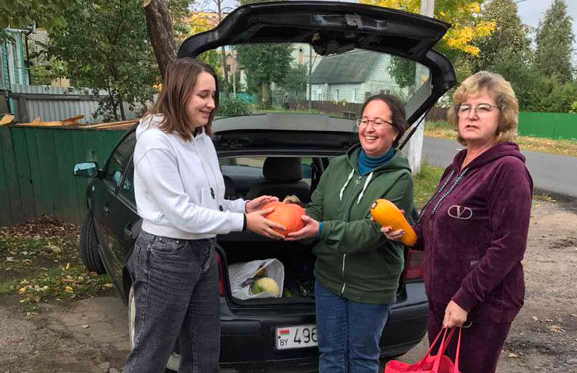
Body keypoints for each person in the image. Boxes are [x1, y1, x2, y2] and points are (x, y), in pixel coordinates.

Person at [123, 58, 285, 373]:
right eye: (203, 95)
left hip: (203, 250)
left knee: (204, 352)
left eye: (214, 96)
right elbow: (182, 213)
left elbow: (210, 201)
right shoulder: (155, 144)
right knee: (151, 355)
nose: (211, 104)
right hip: (166, 256)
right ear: (179, 93)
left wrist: (242, 207)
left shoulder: (202, 139)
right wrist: (243, 222)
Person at [382, 71, 533, 373]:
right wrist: (405, 233)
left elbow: (509, 247)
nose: (472, 115)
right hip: (443, 302)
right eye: (465, 107)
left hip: (480, 307)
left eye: (483, 108)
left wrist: (465, 300)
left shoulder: (508, 170)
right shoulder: (456, 167)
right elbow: (432, 230)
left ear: (503, 115)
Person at [287, 94, 414, 373]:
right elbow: (318, 208)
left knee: (363, 359)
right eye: (365, 120)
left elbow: (370, 232)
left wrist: (321, 230)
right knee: (330, 355)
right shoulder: (338, 166)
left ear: (395, 131)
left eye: (378, 122)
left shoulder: (400, 180)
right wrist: (298, 217)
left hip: (371, 286)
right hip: (329, 280)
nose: (368, 128)